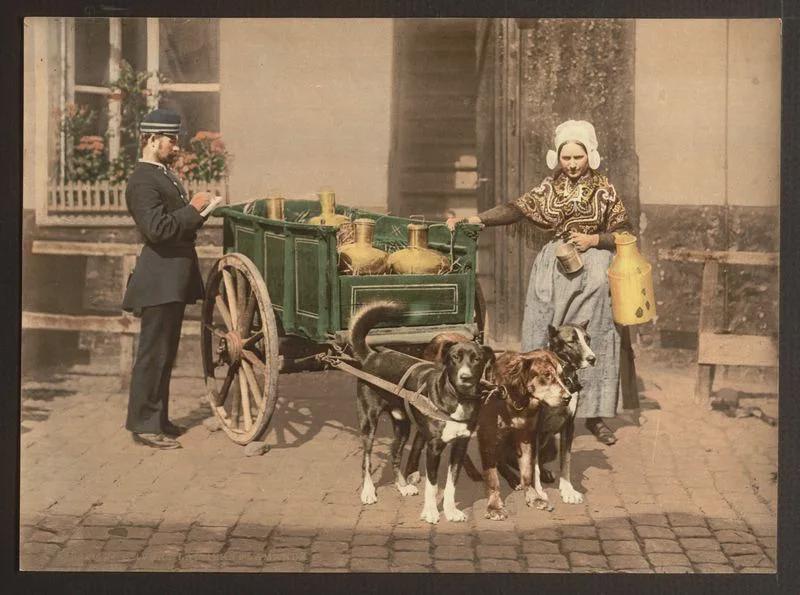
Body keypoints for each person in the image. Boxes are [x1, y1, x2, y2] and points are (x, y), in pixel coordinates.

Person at [447, 120, 639, 445]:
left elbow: (625, 232)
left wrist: (594, 239)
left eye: (579, 157)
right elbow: (515, 209)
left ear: (590, 156)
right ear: (558, 158)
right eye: (567, 158)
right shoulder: (548, 189)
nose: (573, 164)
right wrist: (476, 218)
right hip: (553, 269)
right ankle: (541, 414)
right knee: (544, 336)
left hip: (594, 276)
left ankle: (595, 415)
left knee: (594, 342)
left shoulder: (605, 191)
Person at [122, 108, 211, 449]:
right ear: (150, 139)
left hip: (173, 277)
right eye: (171, 141)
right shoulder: (143, 180)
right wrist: (193, 209)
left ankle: (157, 418)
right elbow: (158, 230)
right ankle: (144, 425)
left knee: (165, 353)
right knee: (153, 353)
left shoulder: (163, 174)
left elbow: (176, 224)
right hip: (159, 278)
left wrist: (200, 209)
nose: (176, 147)